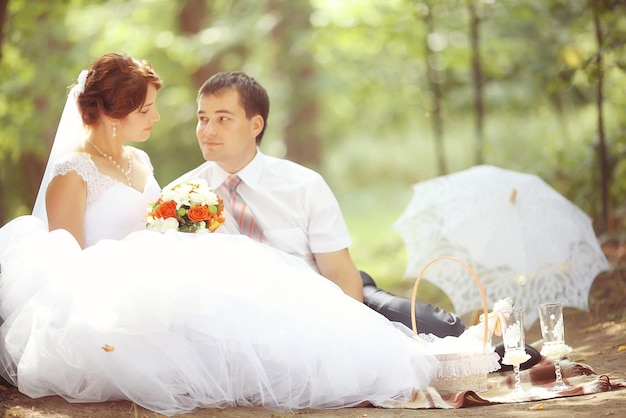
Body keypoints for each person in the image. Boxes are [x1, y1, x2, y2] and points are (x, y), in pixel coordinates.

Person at [0, 53, 441, 416]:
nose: (157, 116)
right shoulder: (73, 172)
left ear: (257, 124)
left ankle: (356, 350)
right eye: (146, 108)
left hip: (194, 281)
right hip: (120, 298)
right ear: (116, 112)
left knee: (261, 289)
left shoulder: (140, 162)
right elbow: (66, 261)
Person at [172, 70, 541, 369]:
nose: (207, 130)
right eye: (203, 118)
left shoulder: (301, 184)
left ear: (256, 125)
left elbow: (338, 270)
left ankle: (494, 353)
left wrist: (347, 333)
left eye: (223, 118)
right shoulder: (181, 195)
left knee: (434, 325)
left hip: (333, 291)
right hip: (248, 314)